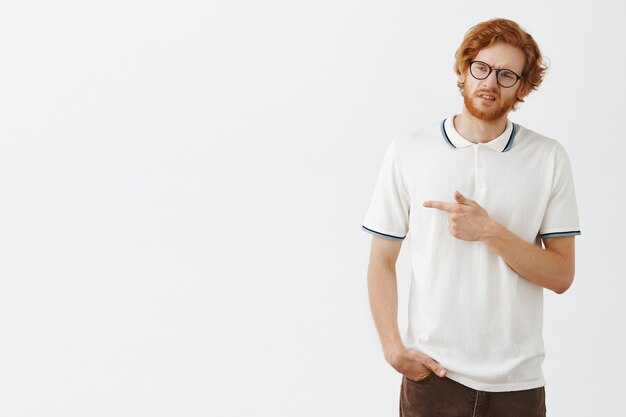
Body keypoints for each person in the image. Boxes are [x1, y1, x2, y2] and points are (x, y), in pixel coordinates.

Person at [361, 18, 581, 417]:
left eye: (507, 75)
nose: (490, 82)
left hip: (519, 386)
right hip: (433, 379)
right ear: (464, 69)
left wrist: (490, 232)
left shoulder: (548, 158)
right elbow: (381, 259)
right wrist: (394, 349)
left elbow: (561, 275)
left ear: (522, 88)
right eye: (481, 67)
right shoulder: (409, 150)